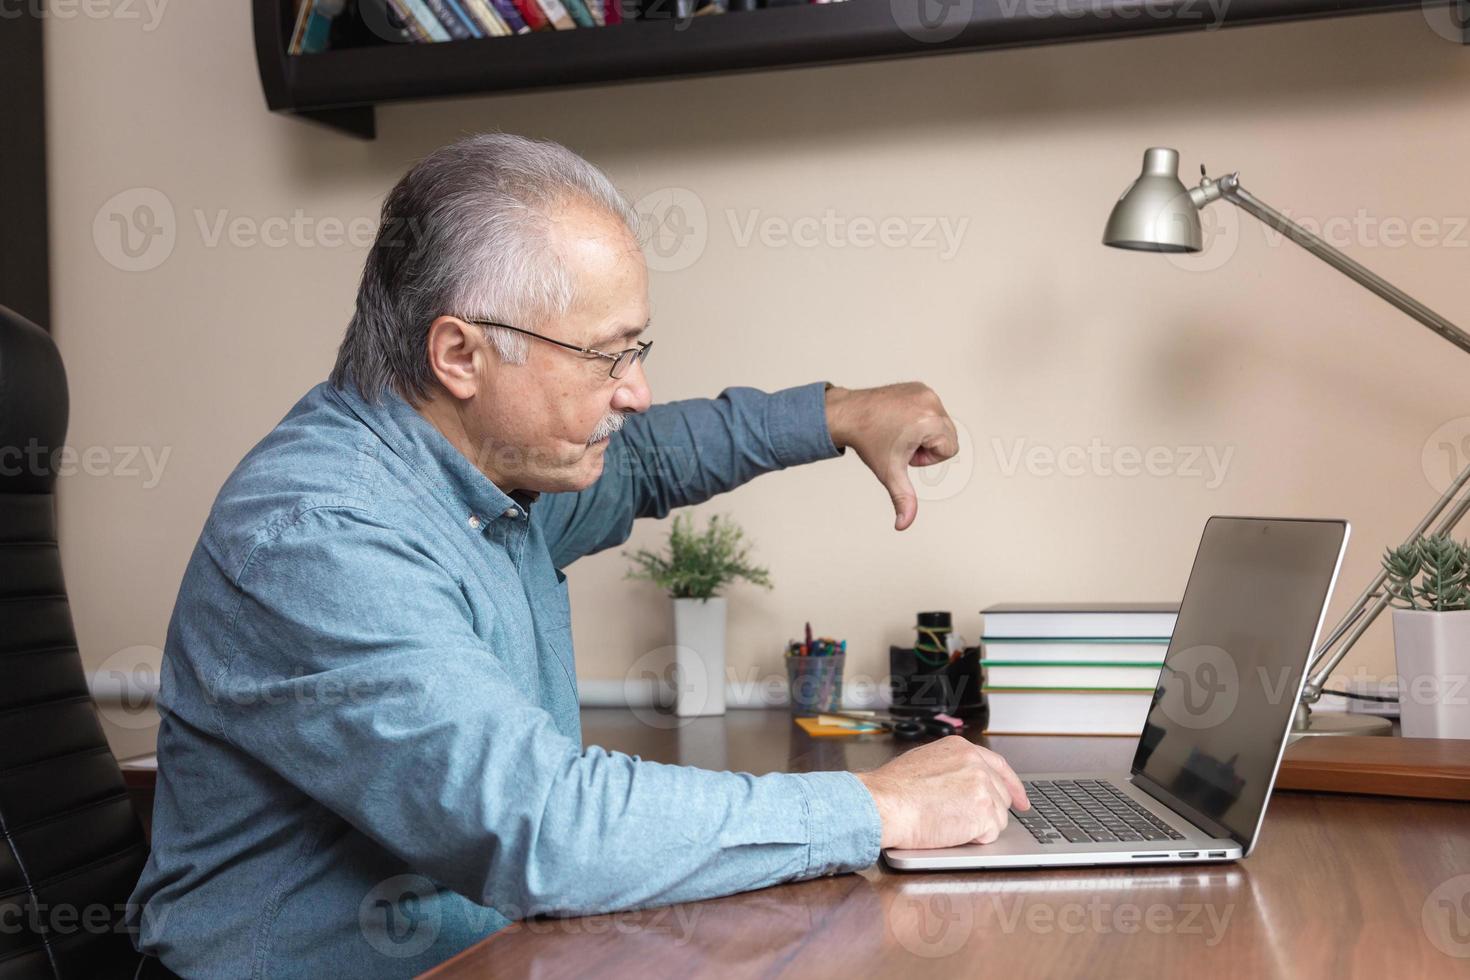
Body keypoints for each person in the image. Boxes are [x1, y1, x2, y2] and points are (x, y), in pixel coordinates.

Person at [128, 133, 1028, 978]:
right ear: (459, 354)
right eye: (608, 358)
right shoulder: (323, 536)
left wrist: (834, 413)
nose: (635, 390)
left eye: (637, 349)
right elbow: (546, 828)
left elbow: (648, 459)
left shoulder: (483, 475)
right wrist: (879, 809)